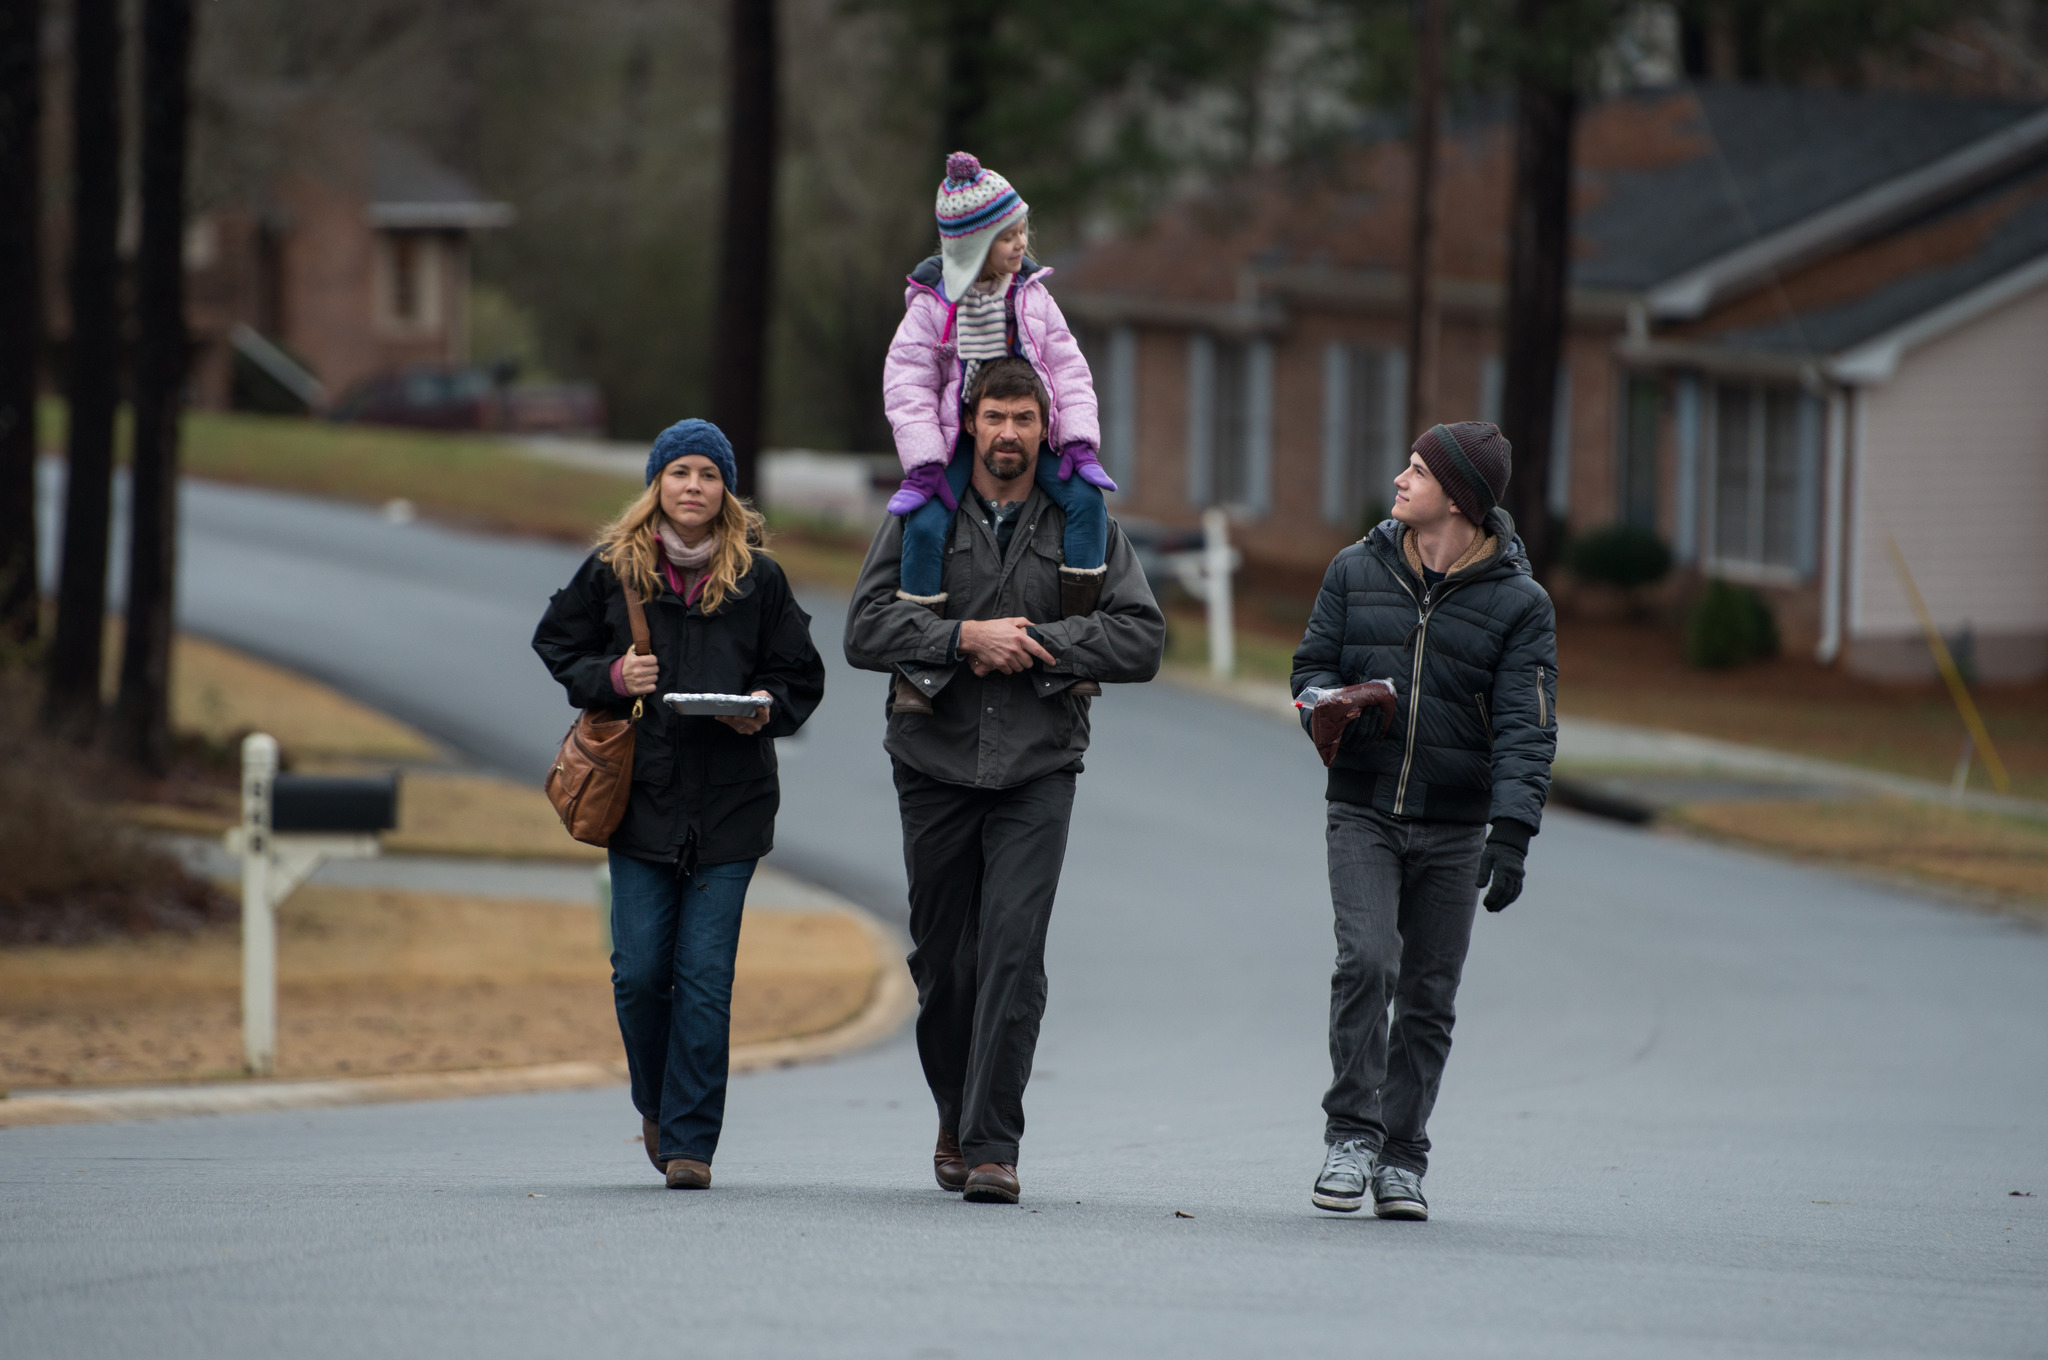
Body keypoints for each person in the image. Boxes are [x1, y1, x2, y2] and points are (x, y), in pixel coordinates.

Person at [845, 356, 1165, 1205]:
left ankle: (993, 1146)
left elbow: (1141, 639)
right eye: (996, 417)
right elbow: (864, 628)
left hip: (1039, 766)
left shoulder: (1084, 520)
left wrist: (1043, 644)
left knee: (1014, 956)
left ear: (1045, 426)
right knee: (946, 965)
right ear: (970, 421)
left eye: (1026, 419)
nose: (1010, 434)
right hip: (932, 763)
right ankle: (954, 1112)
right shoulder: (922, 513)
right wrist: (961, 639)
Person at [532, 419, 826, 1191]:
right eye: (679, 472)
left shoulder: (759, 580)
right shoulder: (613, 571)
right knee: (637, 972)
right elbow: (556, 646)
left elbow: (802, 676)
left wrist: (762, 704)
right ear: (656, 485)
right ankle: (655, 1102)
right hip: (640, 804)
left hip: (732, 810)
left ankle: (691, 1141)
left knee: (703, 976)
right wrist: (610, 677)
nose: (692, 486)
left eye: (707, 473)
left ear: (726, 488)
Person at [1290, 420, 1557, 1222]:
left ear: (1460, 499)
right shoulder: (1352, 569)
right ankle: (1351, 1136)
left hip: (1453, 825)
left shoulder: (1521, 606)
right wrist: (1329, 709)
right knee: (1367, 963)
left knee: (1430, 996)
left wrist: (1512, 833)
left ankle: (1403, 1158)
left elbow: (1527, 724)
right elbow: (1310, 669)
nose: (1400, 479)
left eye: (1417, 470)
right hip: (1363, 809)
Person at [879, 150, 1116, 716]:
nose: (1020, 246)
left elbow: (1069, 368)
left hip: (1035, 437)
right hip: (960, 438)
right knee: (929, 520)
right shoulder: (933, 306)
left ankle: (1071, 649)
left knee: (1086, 502)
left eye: (1022, 233)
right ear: (971, 246)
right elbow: (907, 381)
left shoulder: (1034, 296)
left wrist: (1078, 439)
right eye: (1007, 237)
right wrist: (925, 461)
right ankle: (921, 666)